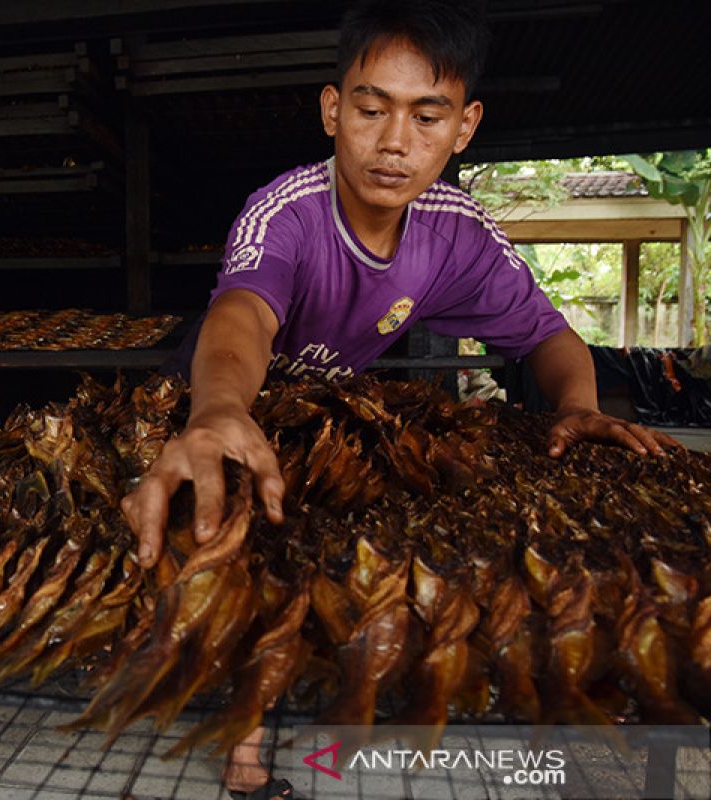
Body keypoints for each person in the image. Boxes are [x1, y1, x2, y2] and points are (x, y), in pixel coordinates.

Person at [119, 1, 677, 798]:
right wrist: (214, 411)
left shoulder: (457, 233)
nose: (393, 142)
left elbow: (550, 338)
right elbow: (241, 316)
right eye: (372, 109)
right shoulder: (288, 210)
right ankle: (246, 759)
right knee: (236, 526)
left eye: (426, 116)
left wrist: (578, 405)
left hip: (324, 411)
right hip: (221, 394)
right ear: (333, 108)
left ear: (465, 127)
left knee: (329, 539)